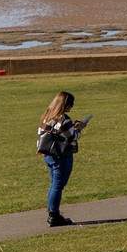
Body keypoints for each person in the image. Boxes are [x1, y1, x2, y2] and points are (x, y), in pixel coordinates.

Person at [36, 90, 89, 227]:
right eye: (71, 104)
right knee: (58, 185)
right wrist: (80, 128)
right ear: (65, 105)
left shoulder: (46, 116)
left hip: (48, 154)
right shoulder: (64, 119)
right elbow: (73, 136)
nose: (72, 106)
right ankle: (54, 216)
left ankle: (52, 211)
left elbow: (43, 133)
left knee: (54, 183)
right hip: (61, 155)